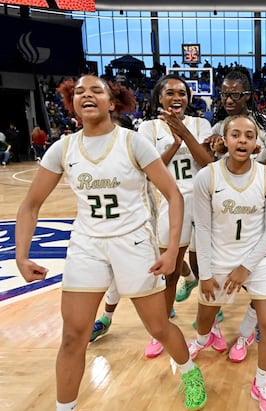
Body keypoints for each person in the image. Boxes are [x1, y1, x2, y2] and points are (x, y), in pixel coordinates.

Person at [15, 75, 206, 411]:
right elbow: (30, 204)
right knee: (73, 337)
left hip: (132, 243)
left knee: (159, 326)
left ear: (113, 101)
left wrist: (173, 249)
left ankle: (190, 373)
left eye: (95, 91)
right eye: (79, 92)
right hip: (87, 246)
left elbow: (173, 195)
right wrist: (21, 255)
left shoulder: (132, 143)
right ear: (70, 101)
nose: (86, 95)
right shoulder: (64, 148)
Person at [90, 74, 215, 357]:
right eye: (169, 93)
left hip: (204, 202)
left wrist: (184, 133)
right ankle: (163, 327)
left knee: (206, 267)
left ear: (189, 98)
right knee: (167, 271)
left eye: (182, 93)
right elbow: (151, 168)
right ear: (159, 98)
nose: (176, 98)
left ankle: (208, 327)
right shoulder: (147, 128)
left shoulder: (201, 124)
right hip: (173, 202)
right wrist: (173, 142)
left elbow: (207, 162)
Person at [188, 114, 266, 411]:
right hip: (218, 259)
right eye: (236, 135)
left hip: (257, 261)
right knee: (204, 322)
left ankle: (263, 383)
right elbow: (201, 229)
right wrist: (204, 273)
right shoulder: (207, 176)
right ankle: (205, 336)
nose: (242, 140)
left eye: (249, 136)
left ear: (256, 144)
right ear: (224, 140)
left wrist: (246, 267)